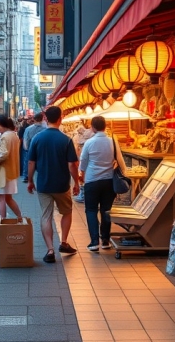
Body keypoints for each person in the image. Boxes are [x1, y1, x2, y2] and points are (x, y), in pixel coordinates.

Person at [27, 106, 80, 263]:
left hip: (43, 184)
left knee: (46, 216)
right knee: (67, 212)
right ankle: (63, 242)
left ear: (45, 118)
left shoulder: (37, 138)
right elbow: (72, 165)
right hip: (62, 185)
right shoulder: (66, 140)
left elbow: (31, 162)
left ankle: (50, 250)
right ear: (60, 118)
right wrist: (76, 182)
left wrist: (30, 181)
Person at [79, 116, 126, 252]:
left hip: (92, 181)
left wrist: (81, 174)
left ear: (92, 127)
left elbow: (83, 162)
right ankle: (105, 240)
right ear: (105, 127)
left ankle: (94, 242)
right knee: (106, 210)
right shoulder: (112, 141)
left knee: (91, 210)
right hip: (108, 181)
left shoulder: (89, 143)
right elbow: (119, 159)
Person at [0, 114, 24, 229]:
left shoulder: (5, 137)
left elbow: (3, 154)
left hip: (3, 170)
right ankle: (20, 217)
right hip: (12, 170)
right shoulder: (14, 135)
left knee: (1, 197)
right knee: (8, 197)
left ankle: (2, 220)